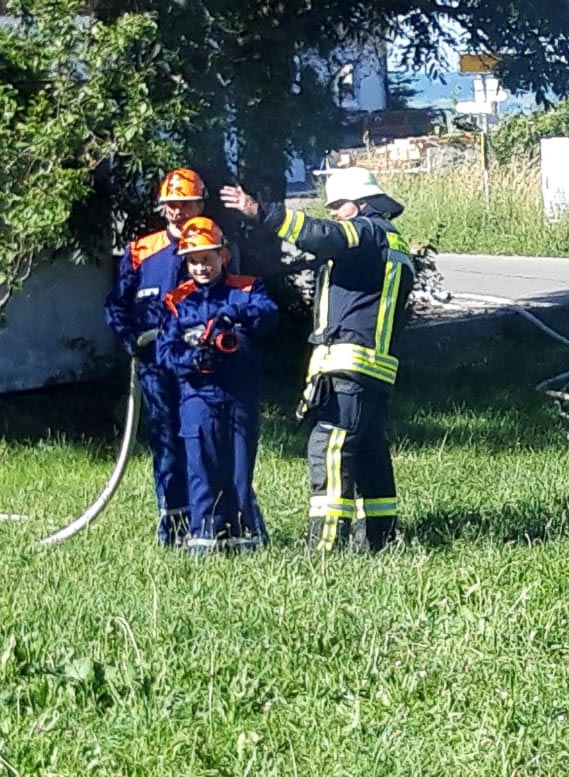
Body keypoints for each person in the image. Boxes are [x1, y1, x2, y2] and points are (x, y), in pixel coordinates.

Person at [219, 167, 415, 554]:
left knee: (328, 448)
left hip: (348, 364)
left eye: (338, 207)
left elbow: (326, 236)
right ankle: (378, 539)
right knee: (369, 453)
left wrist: (263, 213)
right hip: (373, 368)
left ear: (361, 205)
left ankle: (323, 547)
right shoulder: (392, 243)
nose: (334, 215)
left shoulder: (366, 232)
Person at [157, 217, 278, 554]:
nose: (201, 267)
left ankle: (245, 540)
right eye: (194, 261)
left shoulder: (249, 288)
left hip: (240, 395)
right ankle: (204, 542)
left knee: (239, 471)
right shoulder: (176, 301)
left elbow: (269, 316)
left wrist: (230, 314)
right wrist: (193, 359)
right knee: (201, 471)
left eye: (207, 258)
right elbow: (164, 352)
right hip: (197, 396)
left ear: (223, 255)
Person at [104, 168, 206, 546]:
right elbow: (117, 305)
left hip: (200, 366)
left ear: (199, 204)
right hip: (155, 367)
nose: (177, 212)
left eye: (184, 204)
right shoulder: (141, 251)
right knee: (166, 443)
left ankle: (206, 520)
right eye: (171, 205)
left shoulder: (215, 247)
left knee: (198, 440)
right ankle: (174, 526)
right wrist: (130, 337)